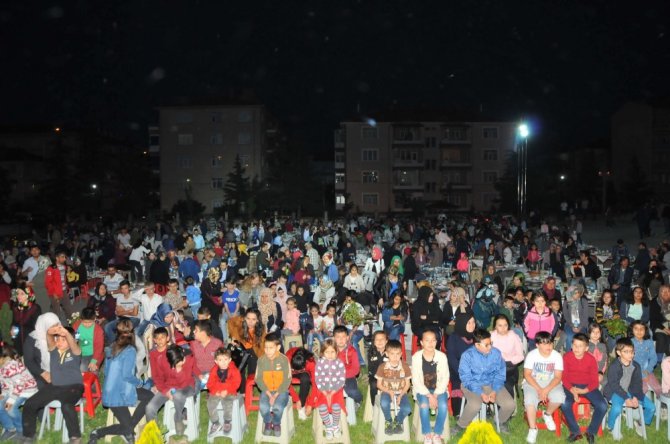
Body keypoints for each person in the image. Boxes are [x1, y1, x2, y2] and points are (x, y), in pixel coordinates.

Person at [88, 319, 153, 443]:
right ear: (132, 332)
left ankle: (128, 431)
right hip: (118, 394)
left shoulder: (111, 347)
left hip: (113, 389)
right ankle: (99, 432)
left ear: (117, 332)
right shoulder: (130, 350)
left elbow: (107, 372)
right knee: (148, 397)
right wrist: (141, 383)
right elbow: (127, 376)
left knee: (149, 396)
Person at [21, 325, 84, 444]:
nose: (59, 342)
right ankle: (29, 436)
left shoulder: (75, 352)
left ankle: (75, 437)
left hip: (73, 386)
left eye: (63, 339)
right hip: (54, 387)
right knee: (30, 403)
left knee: (67, 406)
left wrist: (66, 333)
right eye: (57, 339)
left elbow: (74, 345)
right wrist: (50, 333)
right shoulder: (54, 351)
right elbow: (50, 340)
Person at [454, 329, 515, 436]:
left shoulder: (496, 353)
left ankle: (499, 421)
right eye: (486, 345)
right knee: (474, 404)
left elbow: (500, 374)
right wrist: (481, 393)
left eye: (490, 343)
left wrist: (495, 390)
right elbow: (466, 379)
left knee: (510, 405)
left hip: (492, 384)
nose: (490, 347)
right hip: (471, 385)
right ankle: (460, 425)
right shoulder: (467, 356)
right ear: (477, 345)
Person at [561, 333, 608, 444]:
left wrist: (582, 391)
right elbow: (564, 377)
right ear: (571, 345)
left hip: (587, 387)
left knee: (602, 405)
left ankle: (591, 432)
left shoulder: (591, 359)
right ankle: (575, 432)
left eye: (580, 346)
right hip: (570, 385)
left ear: (586, 348)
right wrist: (573, 390)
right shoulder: (566, 357)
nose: (577, 348)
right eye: (575, 345)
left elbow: (594, 382)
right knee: (565, 403)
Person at [603, 337, 655, 436]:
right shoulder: (614, 366)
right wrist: (627, 398)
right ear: (619, 353)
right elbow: (614, 385)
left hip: (631, 391)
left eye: (631, 351)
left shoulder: (636, 366)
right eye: (626, 352)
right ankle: (610, 425)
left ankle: (640, 423)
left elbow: (637, 384)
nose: (630, 354)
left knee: (651, 407)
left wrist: (635, 397)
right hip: (616, 391)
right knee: (617, 408)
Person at [145, 345, 198, 437]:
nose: (180, 362)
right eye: (174, 363)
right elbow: (158, 378)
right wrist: (166, 391)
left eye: (180, 360)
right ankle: (155, 434)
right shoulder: (163, 360)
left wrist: (179, 369)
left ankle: (178, 419)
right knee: (150, 407)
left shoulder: (189, 358)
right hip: (168, 387)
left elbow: (184, 383)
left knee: (178, 395)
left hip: (187, 387)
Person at [523, 331, 564, 444]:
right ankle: (532, 429)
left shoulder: (557, 356)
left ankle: (547, 414)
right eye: (545, 344)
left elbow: (557, 377)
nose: (549, 346)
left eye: (550, 343)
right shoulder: (532, 355)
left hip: (551, 382)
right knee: (529, 400)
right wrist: (539, 390)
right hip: (533, 381)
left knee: (560, 397)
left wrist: (545, 390)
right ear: (537, 345)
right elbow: (527, 374)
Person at [411, 330, 450, 444]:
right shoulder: (416, 357)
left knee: (443, 405)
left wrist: (436, 394)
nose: (430, 343)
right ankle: (427, 434)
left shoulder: (442, 357)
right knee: (424, 406)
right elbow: (416, 380)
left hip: (439, 389)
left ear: (437, 342)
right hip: (422, 390)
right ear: (422, 342)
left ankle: (437, 434)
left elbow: (445, 378)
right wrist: (429, 396)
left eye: (433, 340)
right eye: (427, 340)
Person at [256, 333, 291, 437]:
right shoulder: (261, 360)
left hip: (281, 391)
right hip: (266, 390)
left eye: (271, 348)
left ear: (278, 347)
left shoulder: (284, 360)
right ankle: (268, 421)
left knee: (278, 407)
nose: (267, 350)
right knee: (263, 407)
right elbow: (258, 379)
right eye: (266, 347)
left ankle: (276, 423)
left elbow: (287, 379)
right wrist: (268, 393)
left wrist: (275, 395)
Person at [0, 344, 38, 441]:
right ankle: (10, 429)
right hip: (13, 390)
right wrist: (3, 395)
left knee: (11, 409)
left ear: (3, 357)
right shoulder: (1, 367)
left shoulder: (12, 366)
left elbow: (20, 384)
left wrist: (11, 400)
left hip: (27, 390)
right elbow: (5, 384)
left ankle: (21, 430)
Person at [375, 339, 411, 435]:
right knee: (384, 403)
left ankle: (398, 421)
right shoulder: (382, 367)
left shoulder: (405, 366)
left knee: (407, 409)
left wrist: (401, 395)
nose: (395, 357)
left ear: (401, 354)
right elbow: (378, 384)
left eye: (397, 354)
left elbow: (407, 384)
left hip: (401, 392)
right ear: (386, 354)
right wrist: (389, 391)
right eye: (392, 354)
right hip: (387, 392)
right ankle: (388, 420)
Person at [314, 339, 346, 439]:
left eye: (332, 352)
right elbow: (317, 379)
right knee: (322, 407)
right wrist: (325, 393)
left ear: (336, 352)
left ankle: (335, 426)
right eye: (327, 352)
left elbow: (341, 380)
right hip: (322, 391)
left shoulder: (339, 363)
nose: (330, 354)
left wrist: (331, 393)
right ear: (322, 353)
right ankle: (328, 427)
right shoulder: (319, 363)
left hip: (336, 390)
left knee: (336, 407)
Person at [206, 348, 242, 437]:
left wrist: (227, 390)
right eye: (220, 360)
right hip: (217, 391)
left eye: (226, 359)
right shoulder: (214, 370)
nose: (223, 362)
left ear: (230, 360)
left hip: (229, 392)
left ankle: (227, 422)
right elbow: (210, 384)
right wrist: (216, 391)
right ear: (216, 361)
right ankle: (215, 423)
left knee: (227, 403)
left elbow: (237, 383)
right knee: (210, 403)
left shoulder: (234, 370)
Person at [447, 313, 475, 415]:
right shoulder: (453, 338)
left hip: (474, 370)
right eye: (469, 323)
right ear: (462, 323)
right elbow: (451, 358)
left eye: (473, 322)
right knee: (458, 383)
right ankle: (459, 412)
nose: (472, 325)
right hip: (457, 370)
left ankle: (480, 408)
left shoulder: (476, 337)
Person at [491, 314, 524, 398]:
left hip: (509, 368)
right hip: (494, 368)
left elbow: (520, 356)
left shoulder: (513, 336)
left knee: (505, 385)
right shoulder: (490, 337)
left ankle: (505, 407)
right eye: (500, 325)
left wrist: (508, 360)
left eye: (505, 325)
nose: (503, 328)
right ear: (495, 326)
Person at [228, 309, 266, 381]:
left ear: (257, 320)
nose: (250, 322)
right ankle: (242, 390)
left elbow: (262, 345)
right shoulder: (240, 323)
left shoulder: (261, 328)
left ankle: (249, 386)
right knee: (239, 368)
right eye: (248, 318)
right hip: (241, 348)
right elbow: (230, 322)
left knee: (253, 366)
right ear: (244, 318)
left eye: (253, 319)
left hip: (253, 349)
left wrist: (262, 357)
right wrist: (233, 337)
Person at [630, 321, 662, 396]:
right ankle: (640, 404)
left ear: (646, 330)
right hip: (634, 372)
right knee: (643, 388)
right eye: (636, 328)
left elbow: (654, 358)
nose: (639, 331)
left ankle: (660, 404)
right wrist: (642, 375)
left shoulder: (649, 343)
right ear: (632, 330)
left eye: (642, 329)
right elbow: (628, 362)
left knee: (658, 388)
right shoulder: (629, 343)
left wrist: (648, 371)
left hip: (647, 370)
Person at [190, 320, 224, 390]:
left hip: (213, 372)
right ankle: (194, 398)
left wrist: (212, 374)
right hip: (198, 371)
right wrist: (199, 374)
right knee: (193, 385)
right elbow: (192, 362)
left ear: (203, 333)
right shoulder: (193, 344)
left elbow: (222, 362)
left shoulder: (217, 344)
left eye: (196, 330)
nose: (193, 332)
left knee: (220, 383)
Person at [333, 325, 362, 405]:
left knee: (352, 391)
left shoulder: (352, 351)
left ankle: (358, 400)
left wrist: (343, 375)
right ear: (334, 339)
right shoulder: (330, 351)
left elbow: (356, 369)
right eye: (338, 337)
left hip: (348, 376)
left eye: (343, 337)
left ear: (347, 338)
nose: (341, 339)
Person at [10, 285, 42, 356]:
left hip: (30, 341)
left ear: (29, 295)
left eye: (22, 294)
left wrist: (21, 328)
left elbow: (37, 327)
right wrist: (12, 329)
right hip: (18, 341)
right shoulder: (15, 307)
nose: (19, 296)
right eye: (17, 293)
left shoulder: (35, 308)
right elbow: (14, 323)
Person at [286, 347, 316, 420]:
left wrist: (310, 404)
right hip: (290, 371)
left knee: (305, 378)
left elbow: (315, 385)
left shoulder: (311, 362)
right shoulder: (287, 359)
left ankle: (302, 406)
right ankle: (299, 403)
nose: (297, 371)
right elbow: (285, 382)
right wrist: (296, 399)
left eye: (299, 370)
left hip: (304, 372)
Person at [72, 307, 105, 373]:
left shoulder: (98, 331)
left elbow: (99, 348)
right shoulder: (77, 325)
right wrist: (75, 341)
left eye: (89, 322)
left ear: (94, 319)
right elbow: (76, 337)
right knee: (82, 369)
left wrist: (94, 361)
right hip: (82, 353)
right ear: (81, 320)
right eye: (84, 322)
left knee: (93, 371)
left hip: (94, 354)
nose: (87, 325)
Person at [563, 285, 589, 352]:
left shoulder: (583, 301)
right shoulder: (566, 302)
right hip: (570, 324)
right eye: (575, 293)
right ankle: (569, 355)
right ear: (570, 293)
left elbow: (585, 316)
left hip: (582, 325)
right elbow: (566, 316)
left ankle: (580, 354)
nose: (577, 294)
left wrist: (579, 327)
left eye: (578, 292)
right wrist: (572, 326)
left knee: (581, 338)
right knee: (569, 337)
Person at [367, 331, 388, 406]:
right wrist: (380, 356)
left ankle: (389, 404)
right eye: (377, 339)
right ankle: (374, 405)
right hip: (375, 376)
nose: (379, 341)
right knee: (373, 385)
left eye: (382, 339)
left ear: (386, 341)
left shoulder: (391, 352)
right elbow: (371, 368)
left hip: (389, 375)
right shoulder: (371, 352)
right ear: (374, 342)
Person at [650, 285, 670, 358]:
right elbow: (653, 320)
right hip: (659, 326)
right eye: (663, 291)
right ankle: (658, 360)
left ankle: (667, 358)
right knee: (662, 338)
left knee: (668, 340)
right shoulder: (654, 302)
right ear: (659, 293)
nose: (665, 293)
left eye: (668, 291)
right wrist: (665, 329)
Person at [220, 277, 240, 342]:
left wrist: (234, 314)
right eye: (229, 284)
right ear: (226, 284)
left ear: (235, 285)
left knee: (235, 322)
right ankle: (225, 338)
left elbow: (237, 306)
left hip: (236, 312)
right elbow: (226, 306)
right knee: (222, 320)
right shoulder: (224, 294)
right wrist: (229, 315)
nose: (230, 286)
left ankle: (235, 338)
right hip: (228, 312)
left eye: (232, 284)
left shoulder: (237, 293)